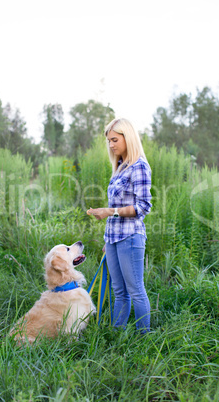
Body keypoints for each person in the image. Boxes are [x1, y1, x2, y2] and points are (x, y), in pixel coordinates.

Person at [87, 118, 152, 333]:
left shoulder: (139, 166)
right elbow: (117, 205)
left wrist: (108, 211)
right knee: (118, 290)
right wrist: (108, 239)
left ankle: (144, 339)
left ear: (128, 137)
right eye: (109, 141)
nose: (111, 145)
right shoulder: (119, 167)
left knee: (135, 290)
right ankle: (116, 336)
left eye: (115, 139)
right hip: (113, 238)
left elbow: (142, 206)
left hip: (130, 237)